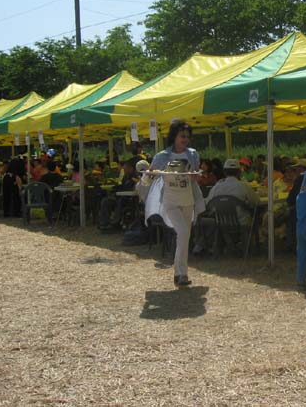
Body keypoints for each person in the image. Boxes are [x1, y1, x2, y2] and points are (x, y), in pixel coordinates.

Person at [145, 121, 205, 287]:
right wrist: (149, 174)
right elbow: (149, 175)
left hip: (188, 200)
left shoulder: (192, 154)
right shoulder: (162, 156)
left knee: (184, 237)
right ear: (174, 137)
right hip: (170, 201)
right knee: (184, 233)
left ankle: (180, 273)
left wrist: (195, 175)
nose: (185, 139)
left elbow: (194, 177)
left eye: (187, 136)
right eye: (182, 136)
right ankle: (181, 274)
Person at [195, 158, 260, 256]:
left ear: (225, 172)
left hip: (220, 222)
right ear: (239, 172)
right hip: (241, 221)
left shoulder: (217, 187)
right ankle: (250, 246)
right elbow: (256, 202)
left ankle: (223, 246)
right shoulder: (244, 186)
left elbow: (208, 202)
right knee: (256, 215)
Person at [98, 160, 140, 230]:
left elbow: (132, 188)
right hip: (119, 196)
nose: (124, 170)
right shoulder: (125, 176)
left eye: (125, 169)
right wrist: (114, 188)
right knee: (105, 201)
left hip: (129, 199)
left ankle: (115, 222)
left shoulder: (135, 177)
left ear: (131, 168)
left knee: (121, 200)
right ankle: (104, 222)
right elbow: (122, 186)